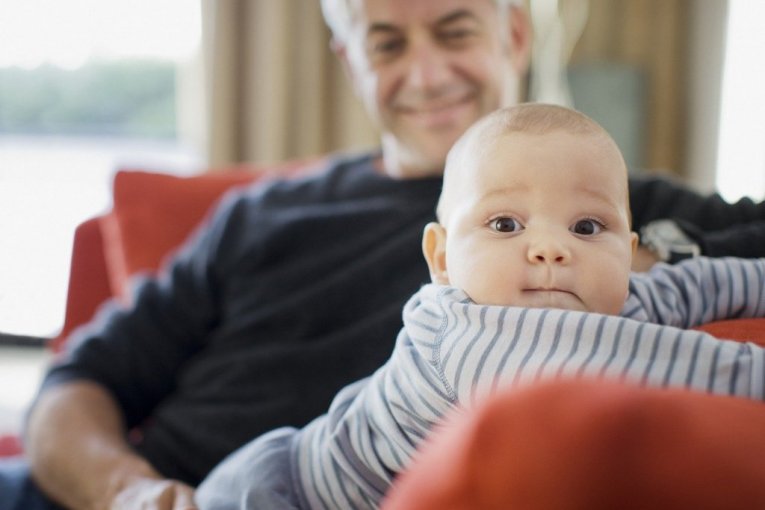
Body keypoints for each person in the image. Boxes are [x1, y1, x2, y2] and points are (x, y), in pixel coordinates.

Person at [1, 1, 764, 509]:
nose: (426, 74)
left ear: (515, 34)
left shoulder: (610, 205)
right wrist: (131, 495)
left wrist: (649, 253)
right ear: (348, 60)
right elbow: (78, 381)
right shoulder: (263, 212)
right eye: (388, 43)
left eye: (455, 29)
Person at [195, 103, 765, 509]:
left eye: (588, 226)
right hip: (279, 492)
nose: (550, 247)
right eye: (505, 224)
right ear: (441, 258)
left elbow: (699, 284)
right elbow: (688, 369)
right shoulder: (475, 334)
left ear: (630, 251)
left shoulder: (600, 294)